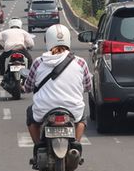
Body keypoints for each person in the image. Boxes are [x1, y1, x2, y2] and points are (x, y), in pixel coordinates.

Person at [24, 24, 92, 162]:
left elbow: (28, 86)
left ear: (47, 41)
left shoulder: (38, 62)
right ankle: (76, 144)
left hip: (44, 110)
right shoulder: (80, 63)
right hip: (72, 110)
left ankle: (38, 147)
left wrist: (25, 88)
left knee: (31, 116)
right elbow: (88, 86)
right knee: (82, 119)